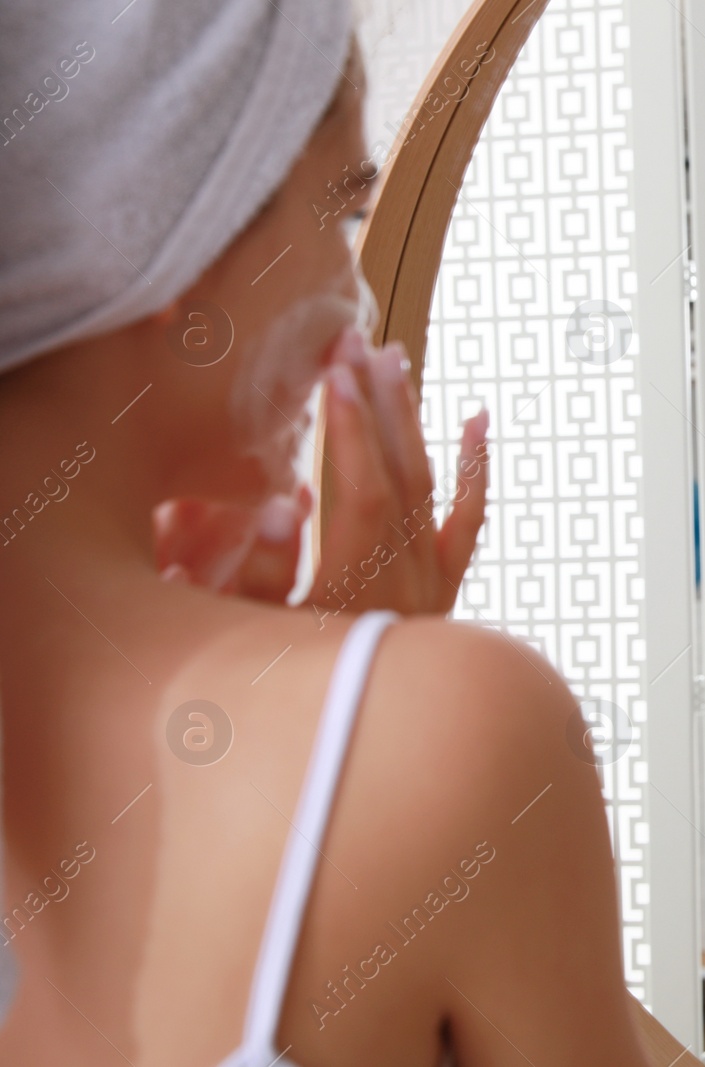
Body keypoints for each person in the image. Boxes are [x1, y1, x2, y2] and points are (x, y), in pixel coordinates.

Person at [0, 2, 653, 1064]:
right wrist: (366, 710)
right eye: (344, 215)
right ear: (183, 233)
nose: (353, 296)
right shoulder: (455, 726)